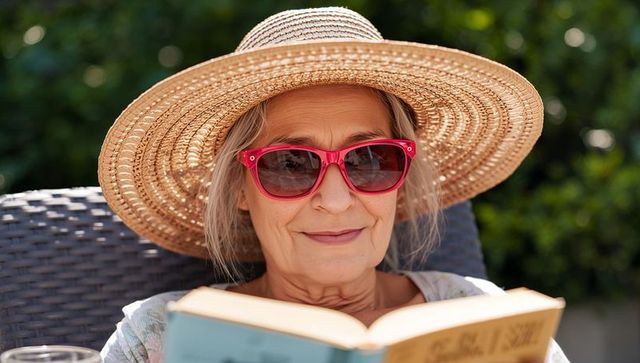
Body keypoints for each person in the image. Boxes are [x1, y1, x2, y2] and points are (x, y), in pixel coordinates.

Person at [98, 7, 569, 363]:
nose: (337, 199)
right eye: (290, 165)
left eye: (370, 160)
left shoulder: (481, 314)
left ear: (401, 180)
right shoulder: (162, 337)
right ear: (240, 187)